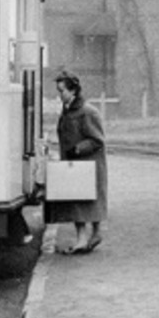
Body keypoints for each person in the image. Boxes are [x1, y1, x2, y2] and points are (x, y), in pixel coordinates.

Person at [51, 69, 106, 254]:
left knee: (86, 202)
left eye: (62, 91)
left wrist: (77, 149)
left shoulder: (87, 112)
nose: (59, 95)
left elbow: (97, 140)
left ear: (73, 91)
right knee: (79, 202)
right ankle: (87, 237)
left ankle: (90, 236)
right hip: (77, 164)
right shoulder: (70, 111)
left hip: (87, 164)